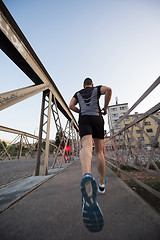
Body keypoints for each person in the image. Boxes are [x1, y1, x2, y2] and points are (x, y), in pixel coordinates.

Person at [69, 78, 112, 232]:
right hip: (97, 118)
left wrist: (80, 111)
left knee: (86, 146)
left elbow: (70, 105)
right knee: (99, 151)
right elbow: (109, 90)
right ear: (92, 85)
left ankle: (86, 175)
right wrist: (105, 108)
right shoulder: (97, 89)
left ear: (83, 85)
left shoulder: (78, 93)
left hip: (84, 119)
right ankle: (101, 185)